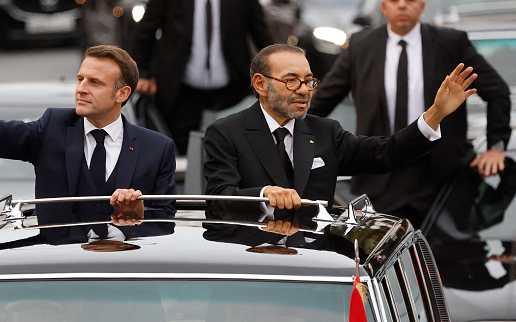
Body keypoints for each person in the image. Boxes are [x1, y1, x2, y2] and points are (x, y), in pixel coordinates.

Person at [0, 24, 176, 240]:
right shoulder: (52, 127)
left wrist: (139, 213)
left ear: (122, 94)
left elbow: (167, 221)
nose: (81, 89)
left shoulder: (157, 148)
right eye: (80, 79)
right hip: (58, 276)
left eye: (95, 82)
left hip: (131, 276)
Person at [309, 0, 511, 227]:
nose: (402, 4)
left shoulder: (450, 44)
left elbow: (498, 91)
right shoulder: (362, 46)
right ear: (384, 7)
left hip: (441, 179)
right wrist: (296, 138)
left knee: (443, 259)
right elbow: (323, 100)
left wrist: (496, 147)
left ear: (421, 6)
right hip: (381, 175)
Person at [204, 43, 477, 213]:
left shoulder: (325, 132)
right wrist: (265, 194)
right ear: (261, 84)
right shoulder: (226, 133)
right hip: (252, 265)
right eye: (291, 81)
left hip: (318, 269)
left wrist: (436, 113)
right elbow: (219, 197)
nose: (303, 90)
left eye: (309, 81)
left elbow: (386, 153)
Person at [131, 0, 273, 154]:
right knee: (183, 155)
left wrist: (274, 75)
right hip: (182, 91)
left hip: (231, 92)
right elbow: (143, 34)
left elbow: (262, 37)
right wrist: (144, 74)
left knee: (232, 151)